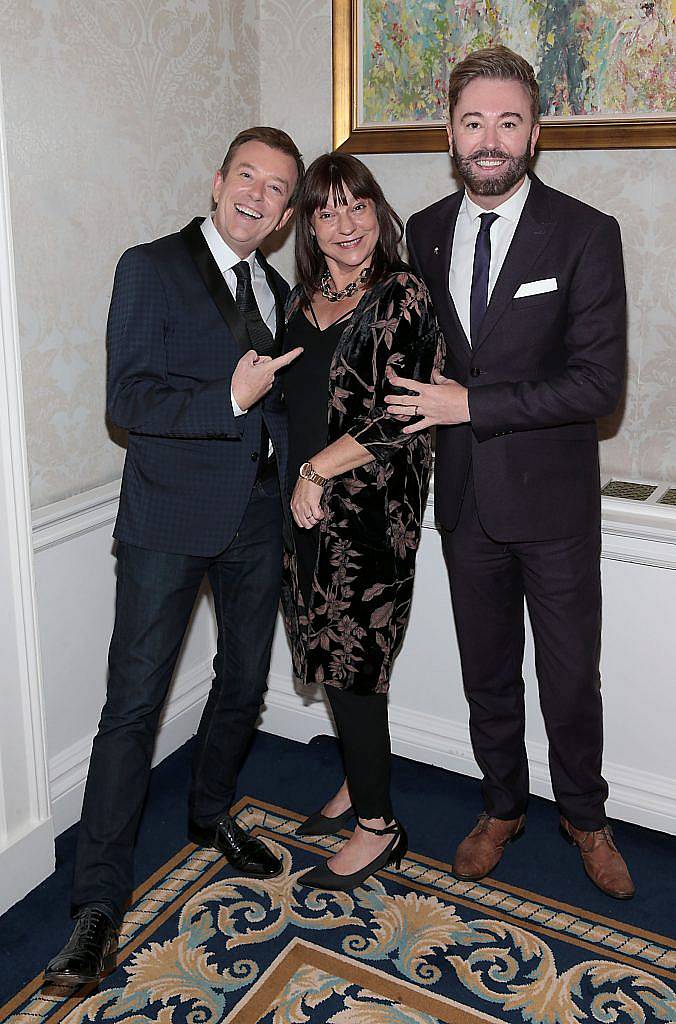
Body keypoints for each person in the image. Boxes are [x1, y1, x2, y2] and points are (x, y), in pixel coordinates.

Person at [45, 127, 305, 986]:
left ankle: (209, 813)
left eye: (276, 190)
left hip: (258, 519)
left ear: (284, 213)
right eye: (247, 178)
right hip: (165, 520)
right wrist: (228, 395)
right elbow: (128, 398)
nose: (258, 197)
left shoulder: (277, 286)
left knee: (242, 683)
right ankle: (96, 906)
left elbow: (281, 406)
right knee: (133, 708)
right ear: (218, 179)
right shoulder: (148, 266)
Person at [386, 47, 634, 900]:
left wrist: (474, 406)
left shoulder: (585, 233)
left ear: (535, 132)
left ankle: (587, 817)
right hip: (462, 502)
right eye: (472, 122)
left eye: (508, 121)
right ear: (449, 134)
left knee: (570, 676)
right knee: (485, 669)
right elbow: (405, 353)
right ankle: (501, 806)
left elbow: (599, 385)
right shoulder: (421, 232)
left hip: (555, 506)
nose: (490, 140)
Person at [281, 153, 444, 891]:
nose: (346, 223)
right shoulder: (301, 298)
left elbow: (397, 415)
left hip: (373, 516)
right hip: (305, 510)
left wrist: (317, 469)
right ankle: (356, 779)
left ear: (378, 210)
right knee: (323, 651)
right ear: (309, 224)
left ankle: (379, 827)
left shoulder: (402, 293)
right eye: (327, 210)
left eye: (358, 205)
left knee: (355, 667)